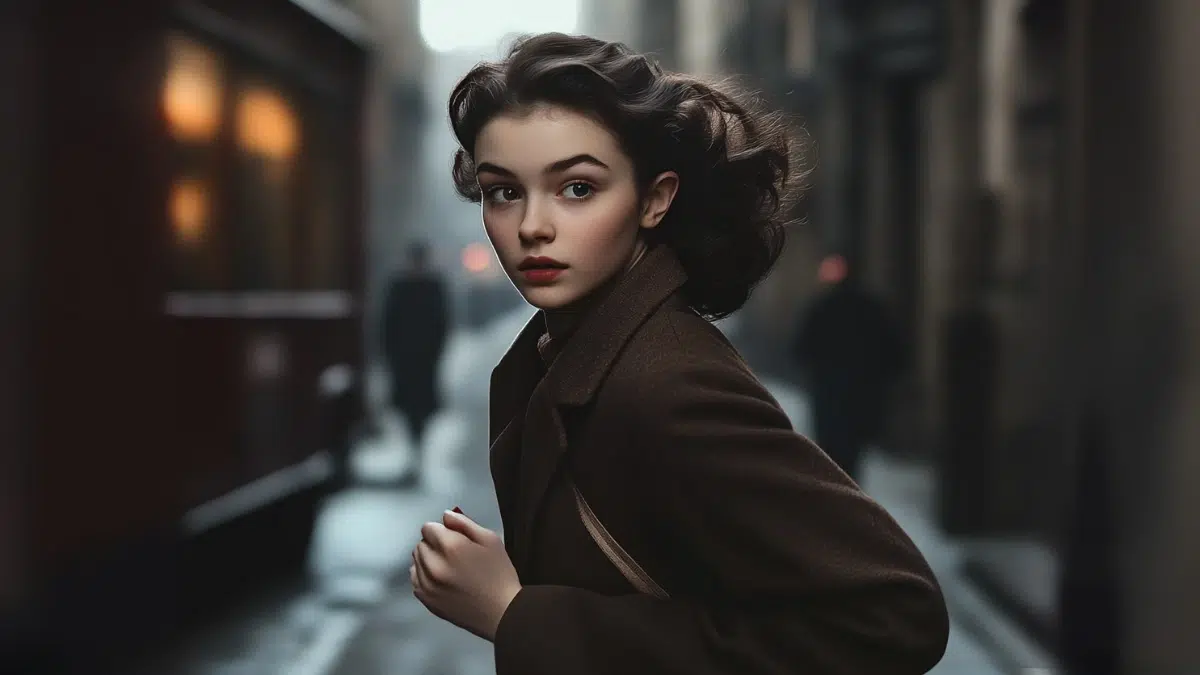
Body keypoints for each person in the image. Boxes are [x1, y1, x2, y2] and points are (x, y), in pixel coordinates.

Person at [408, 33, 949, 674]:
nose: (532, 226)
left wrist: (515, 613)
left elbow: (895, 613)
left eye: (577, 188)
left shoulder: (670, 384)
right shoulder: (564, 357)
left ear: (655, 198)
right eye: (504, 192)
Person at [793, 254, 908, 481]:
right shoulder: (870, 309)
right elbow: (895, 355)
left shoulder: (824, 308)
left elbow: (802, 349)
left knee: (832, 454)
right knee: (851, 457)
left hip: (832, 397)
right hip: (860, 398)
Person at [381, 241, 449, 486]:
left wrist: (435, 352)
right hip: (406, 360)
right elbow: (388, 324)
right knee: (410, 410)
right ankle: (415, 453)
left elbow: (442, 324)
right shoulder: (403, 287)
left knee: (419, 410)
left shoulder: (431, 286)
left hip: (422, 361)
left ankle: (417, 454)